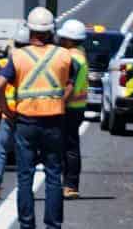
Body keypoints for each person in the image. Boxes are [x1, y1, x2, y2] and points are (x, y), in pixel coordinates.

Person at [0, 7, 79, 229]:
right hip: (54, 121)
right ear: (51, 31)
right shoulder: (64, 55)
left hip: (26, 121)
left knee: (25, 176)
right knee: (53, 175)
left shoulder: (18, 56)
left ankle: (26, 225)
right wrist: (62, 100)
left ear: (29, 30)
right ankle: (53, 225)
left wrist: (6, 110)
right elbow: (71, 82)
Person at [0, 23, 31, 199]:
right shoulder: (32, 63)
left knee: (1, 151)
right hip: (26, 114)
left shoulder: (7, 62)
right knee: (26, 153)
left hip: (8, 113)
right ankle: (25, 188)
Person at [57, 19, 90, 200]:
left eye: (63, 37)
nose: (60, 39)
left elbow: (69, 86)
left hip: (69, 107)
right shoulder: (81, 53)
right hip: (77, 107)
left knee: (68, 147)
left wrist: (59, 103)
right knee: (71, 146)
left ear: (70, 39)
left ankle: (69, 185)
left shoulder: (72, 58)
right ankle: (70, 185)